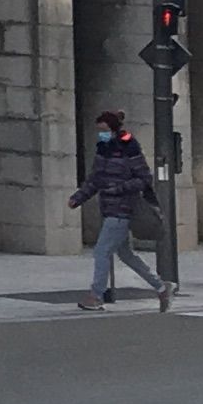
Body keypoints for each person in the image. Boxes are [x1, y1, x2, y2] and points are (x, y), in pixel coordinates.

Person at [72, 109, 166, 306]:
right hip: (109, 208)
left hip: (122, 208)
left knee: (101, 251)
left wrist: (118, 188)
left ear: (113, 130)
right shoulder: (102, 149)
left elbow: (144, 178)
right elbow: (95, 179)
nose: (101, 135)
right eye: (99, 131)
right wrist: (78, 197)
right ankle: (162, 287)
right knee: (126, 255)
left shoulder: (129, 148)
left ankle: (96, 296)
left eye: (104, 131)